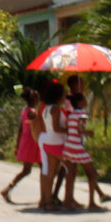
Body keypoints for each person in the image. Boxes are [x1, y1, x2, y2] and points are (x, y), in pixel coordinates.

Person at [61, 93, 104, 211]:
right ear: (80, 102)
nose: (86, 101)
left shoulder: (71, 115)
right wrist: (88, 133)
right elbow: (80, 129)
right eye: (84, 99)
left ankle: (67, 200)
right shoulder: (82, 115)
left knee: (70, 174)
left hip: (69, 145)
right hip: (76, 146)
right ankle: (91, 202)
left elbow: (67, 127)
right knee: (92, 173)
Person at [0, 88, 41, 204]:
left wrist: (18, 145)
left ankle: (8, 188)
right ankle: (46, 194)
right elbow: (37, 126)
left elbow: (21, 129)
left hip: (27, 140)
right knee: (39, 168)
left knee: (29, 169)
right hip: (33, 141)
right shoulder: (33, 112)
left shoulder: (25, 111)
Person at [36, 78, 67, 211]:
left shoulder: (46, 109)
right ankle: (67, 199)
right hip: (57, 143)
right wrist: (70, 129)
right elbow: (56, 128)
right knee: (71, 169)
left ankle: (47, 201)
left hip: (48, 142)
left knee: (49, 173)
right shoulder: (56, 109)